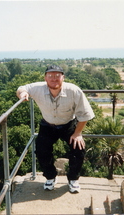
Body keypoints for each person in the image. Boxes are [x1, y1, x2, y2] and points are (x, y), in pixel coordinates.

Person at [16, 65, 95, 193]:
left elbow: (84, 114)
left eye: (57, 76)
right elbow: (21, 88)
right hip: (47, 125)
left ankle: (73, 179)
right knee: (41, 151)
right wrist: (23, 93)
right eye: (50, 76)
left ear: (63, 77)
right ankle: (50, 177)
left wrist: (78, 133)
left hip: (68, 124)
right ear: (45, 78)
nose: (54, 79)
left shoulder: (74, 91)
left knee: (78, 149)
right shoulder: (38, 88)